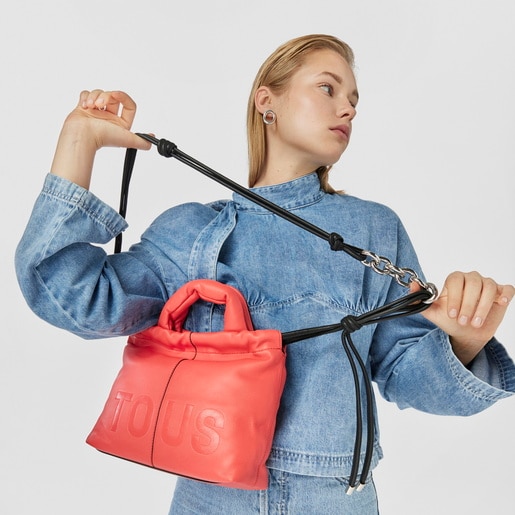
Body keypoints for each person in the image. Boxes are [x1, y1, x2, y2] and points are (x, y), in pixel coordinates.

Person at [15, 34, 514, 514]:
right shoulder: (194, 228)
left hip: (335, 501)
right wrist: (79, 139)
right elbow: (74, 299)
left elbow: (403, 374)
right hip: (209, 498)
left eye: (353, 99)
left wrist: (464, 341)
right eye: (328, 87)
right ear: (266, 101)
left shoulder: (373, 228)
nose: (348, 108)